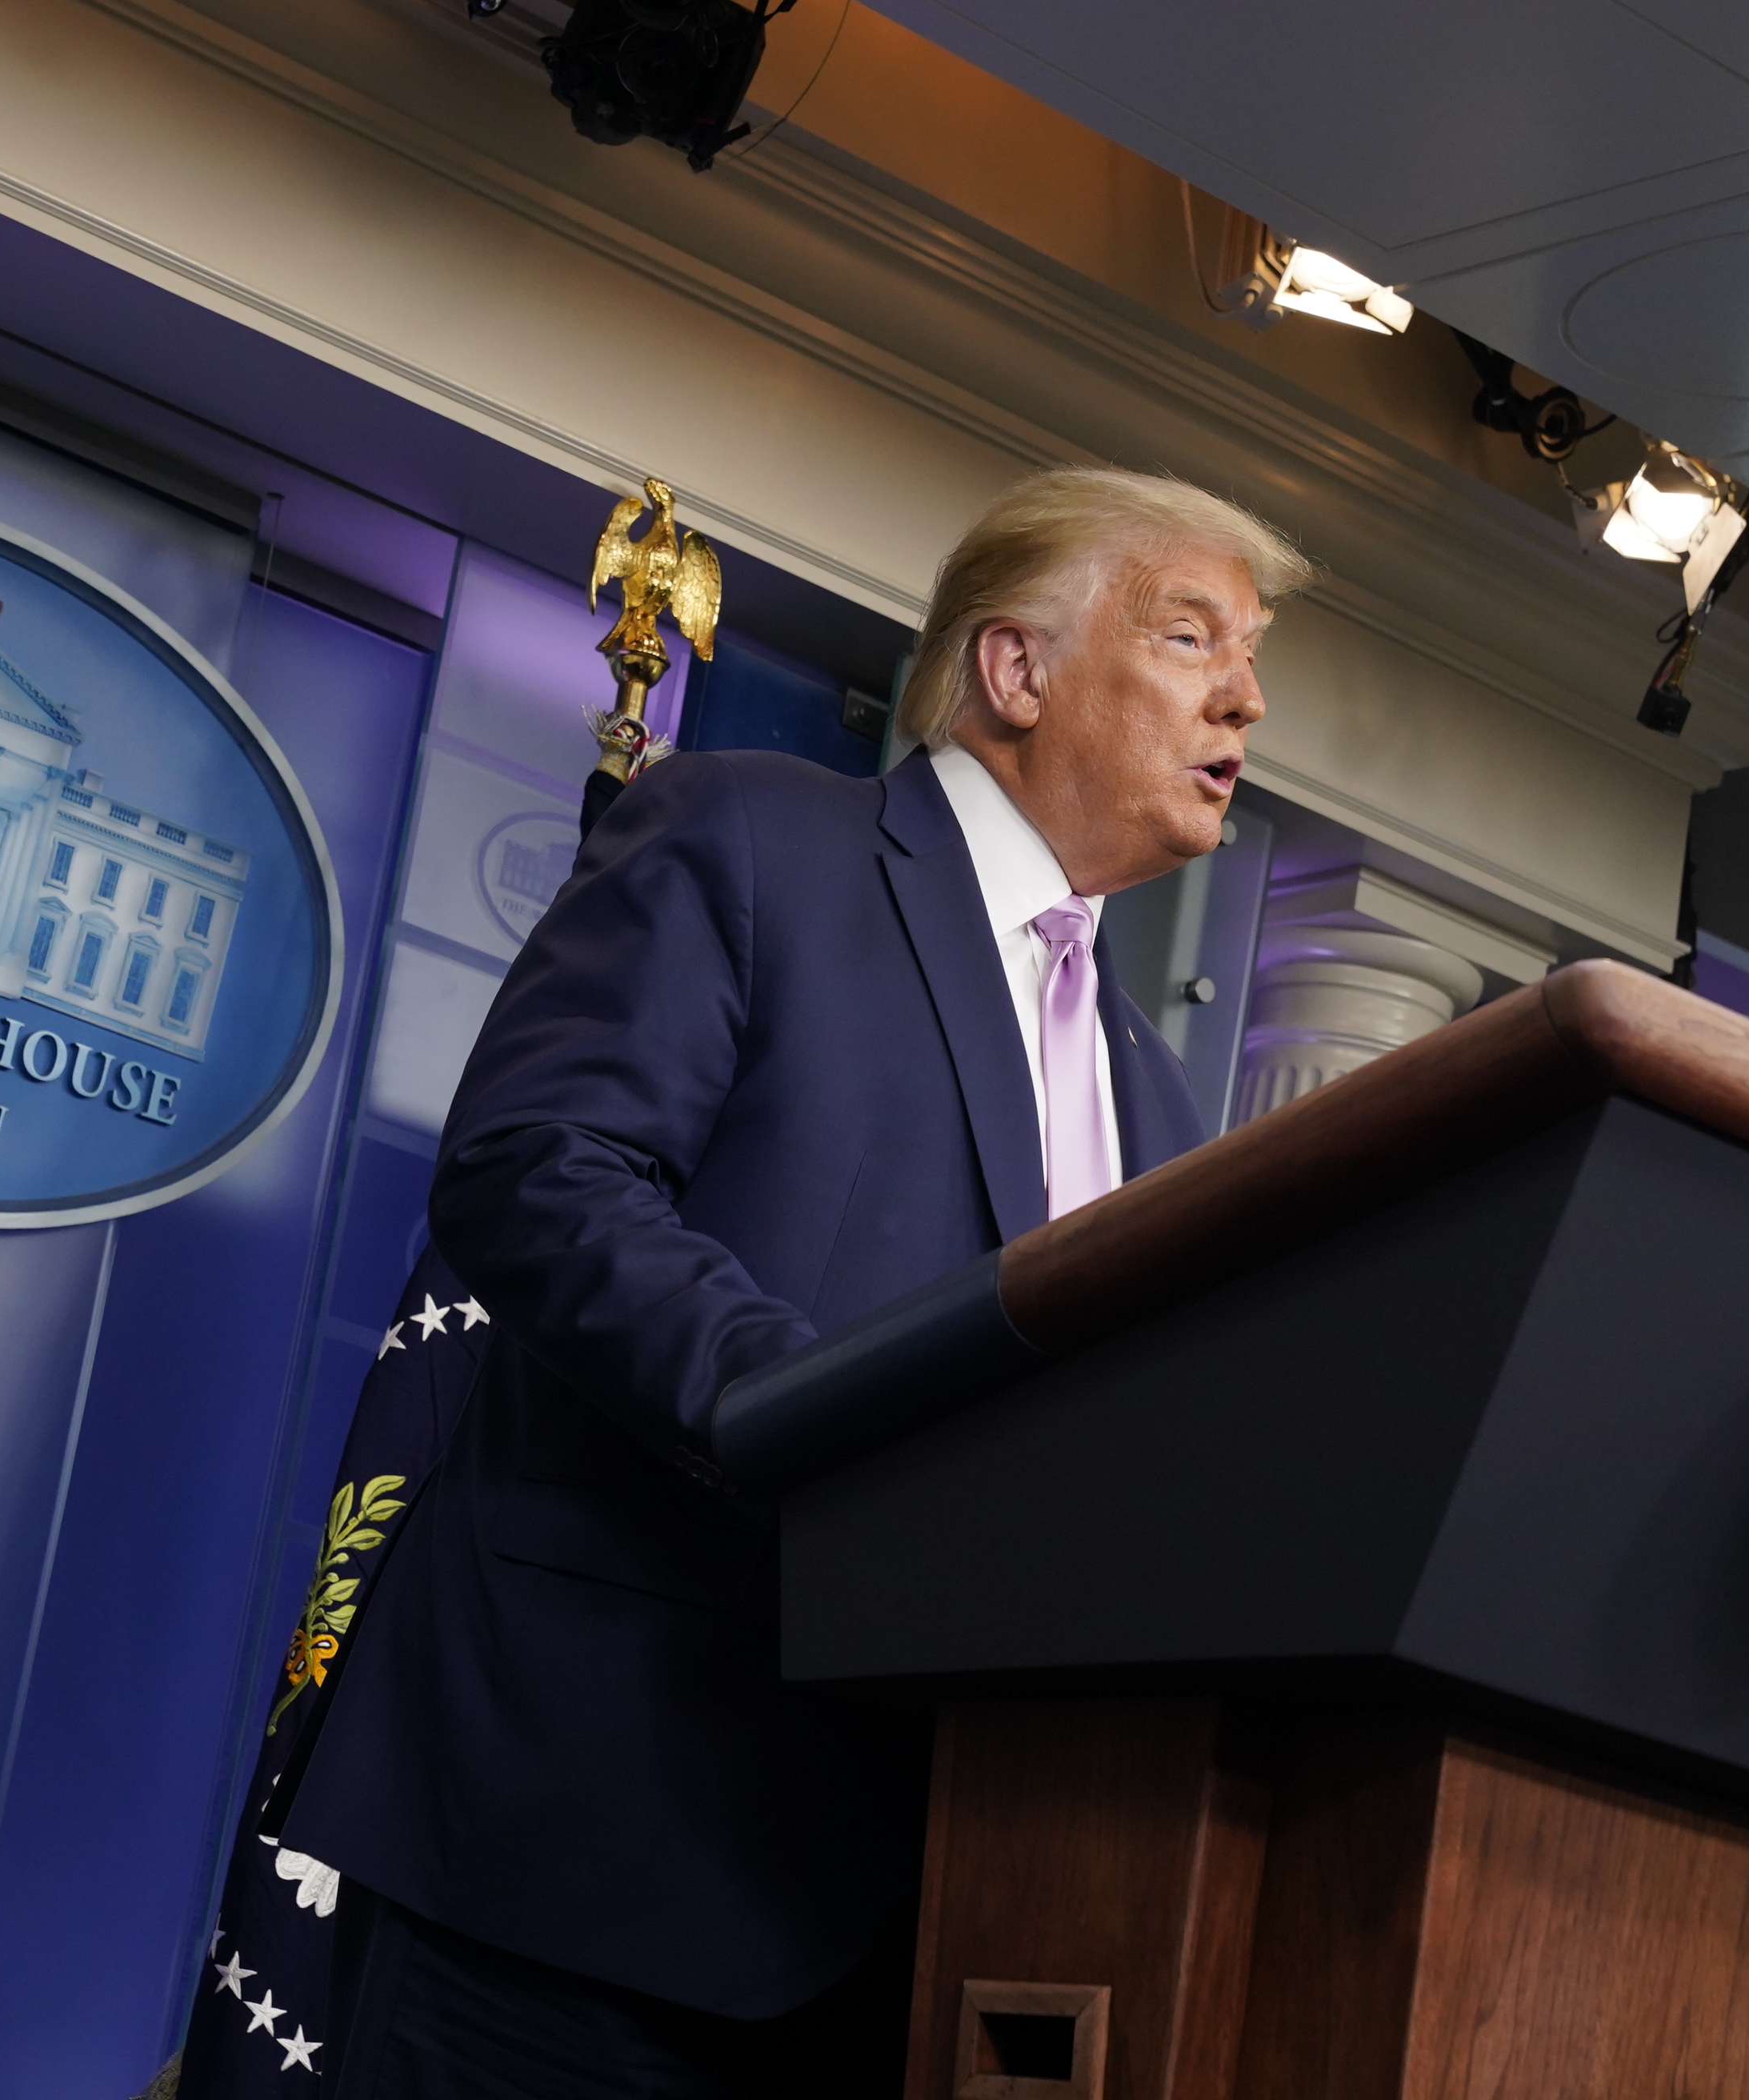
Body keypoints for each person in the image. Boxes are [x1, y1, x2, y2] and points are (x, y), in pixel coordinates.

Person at [282, 467, 1311, 2098]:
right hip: (599, 1851)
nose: (1247, 695)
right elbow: (539, 1167)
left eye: (1250, 656)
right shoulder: (752, 834)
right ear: (1017, 669)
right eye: (1194, 636)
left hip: (932, 1935)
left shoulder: (1157, 1090)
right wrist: (826, 1419)